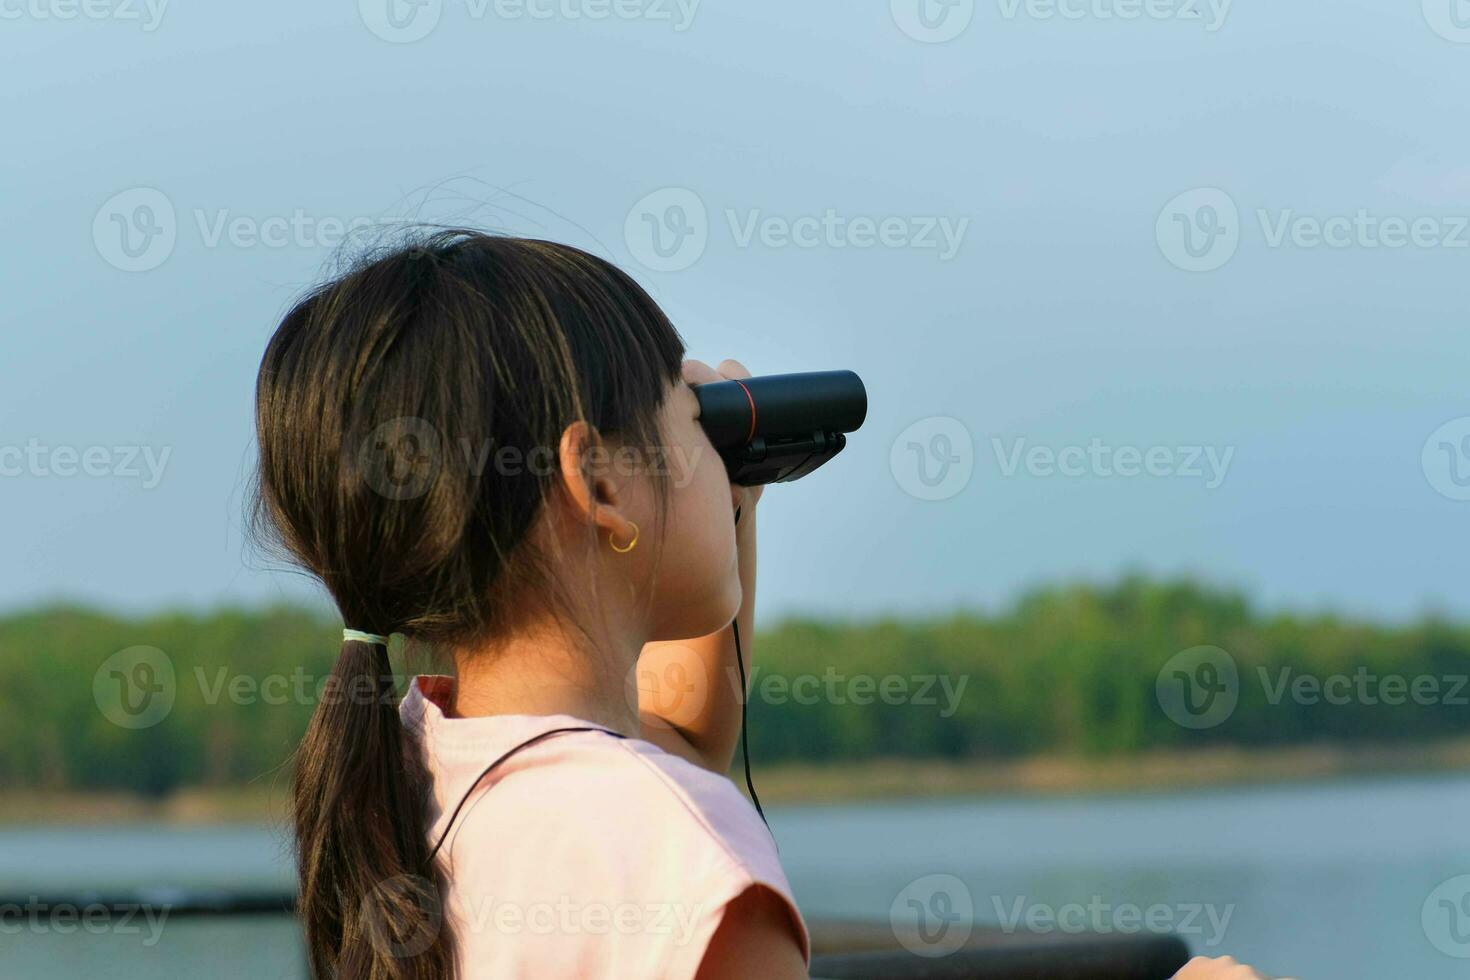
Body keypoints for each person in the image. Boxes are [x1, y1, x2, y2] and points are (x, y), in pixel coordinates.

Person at [251, 231, 808, 979]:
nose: (719, 457)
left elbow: (678, 730)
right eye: (692, 418)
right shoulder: (691, 859)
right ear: (601, 484)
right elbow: (661, 777)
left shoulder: (414, 762)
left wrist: (732, 496)